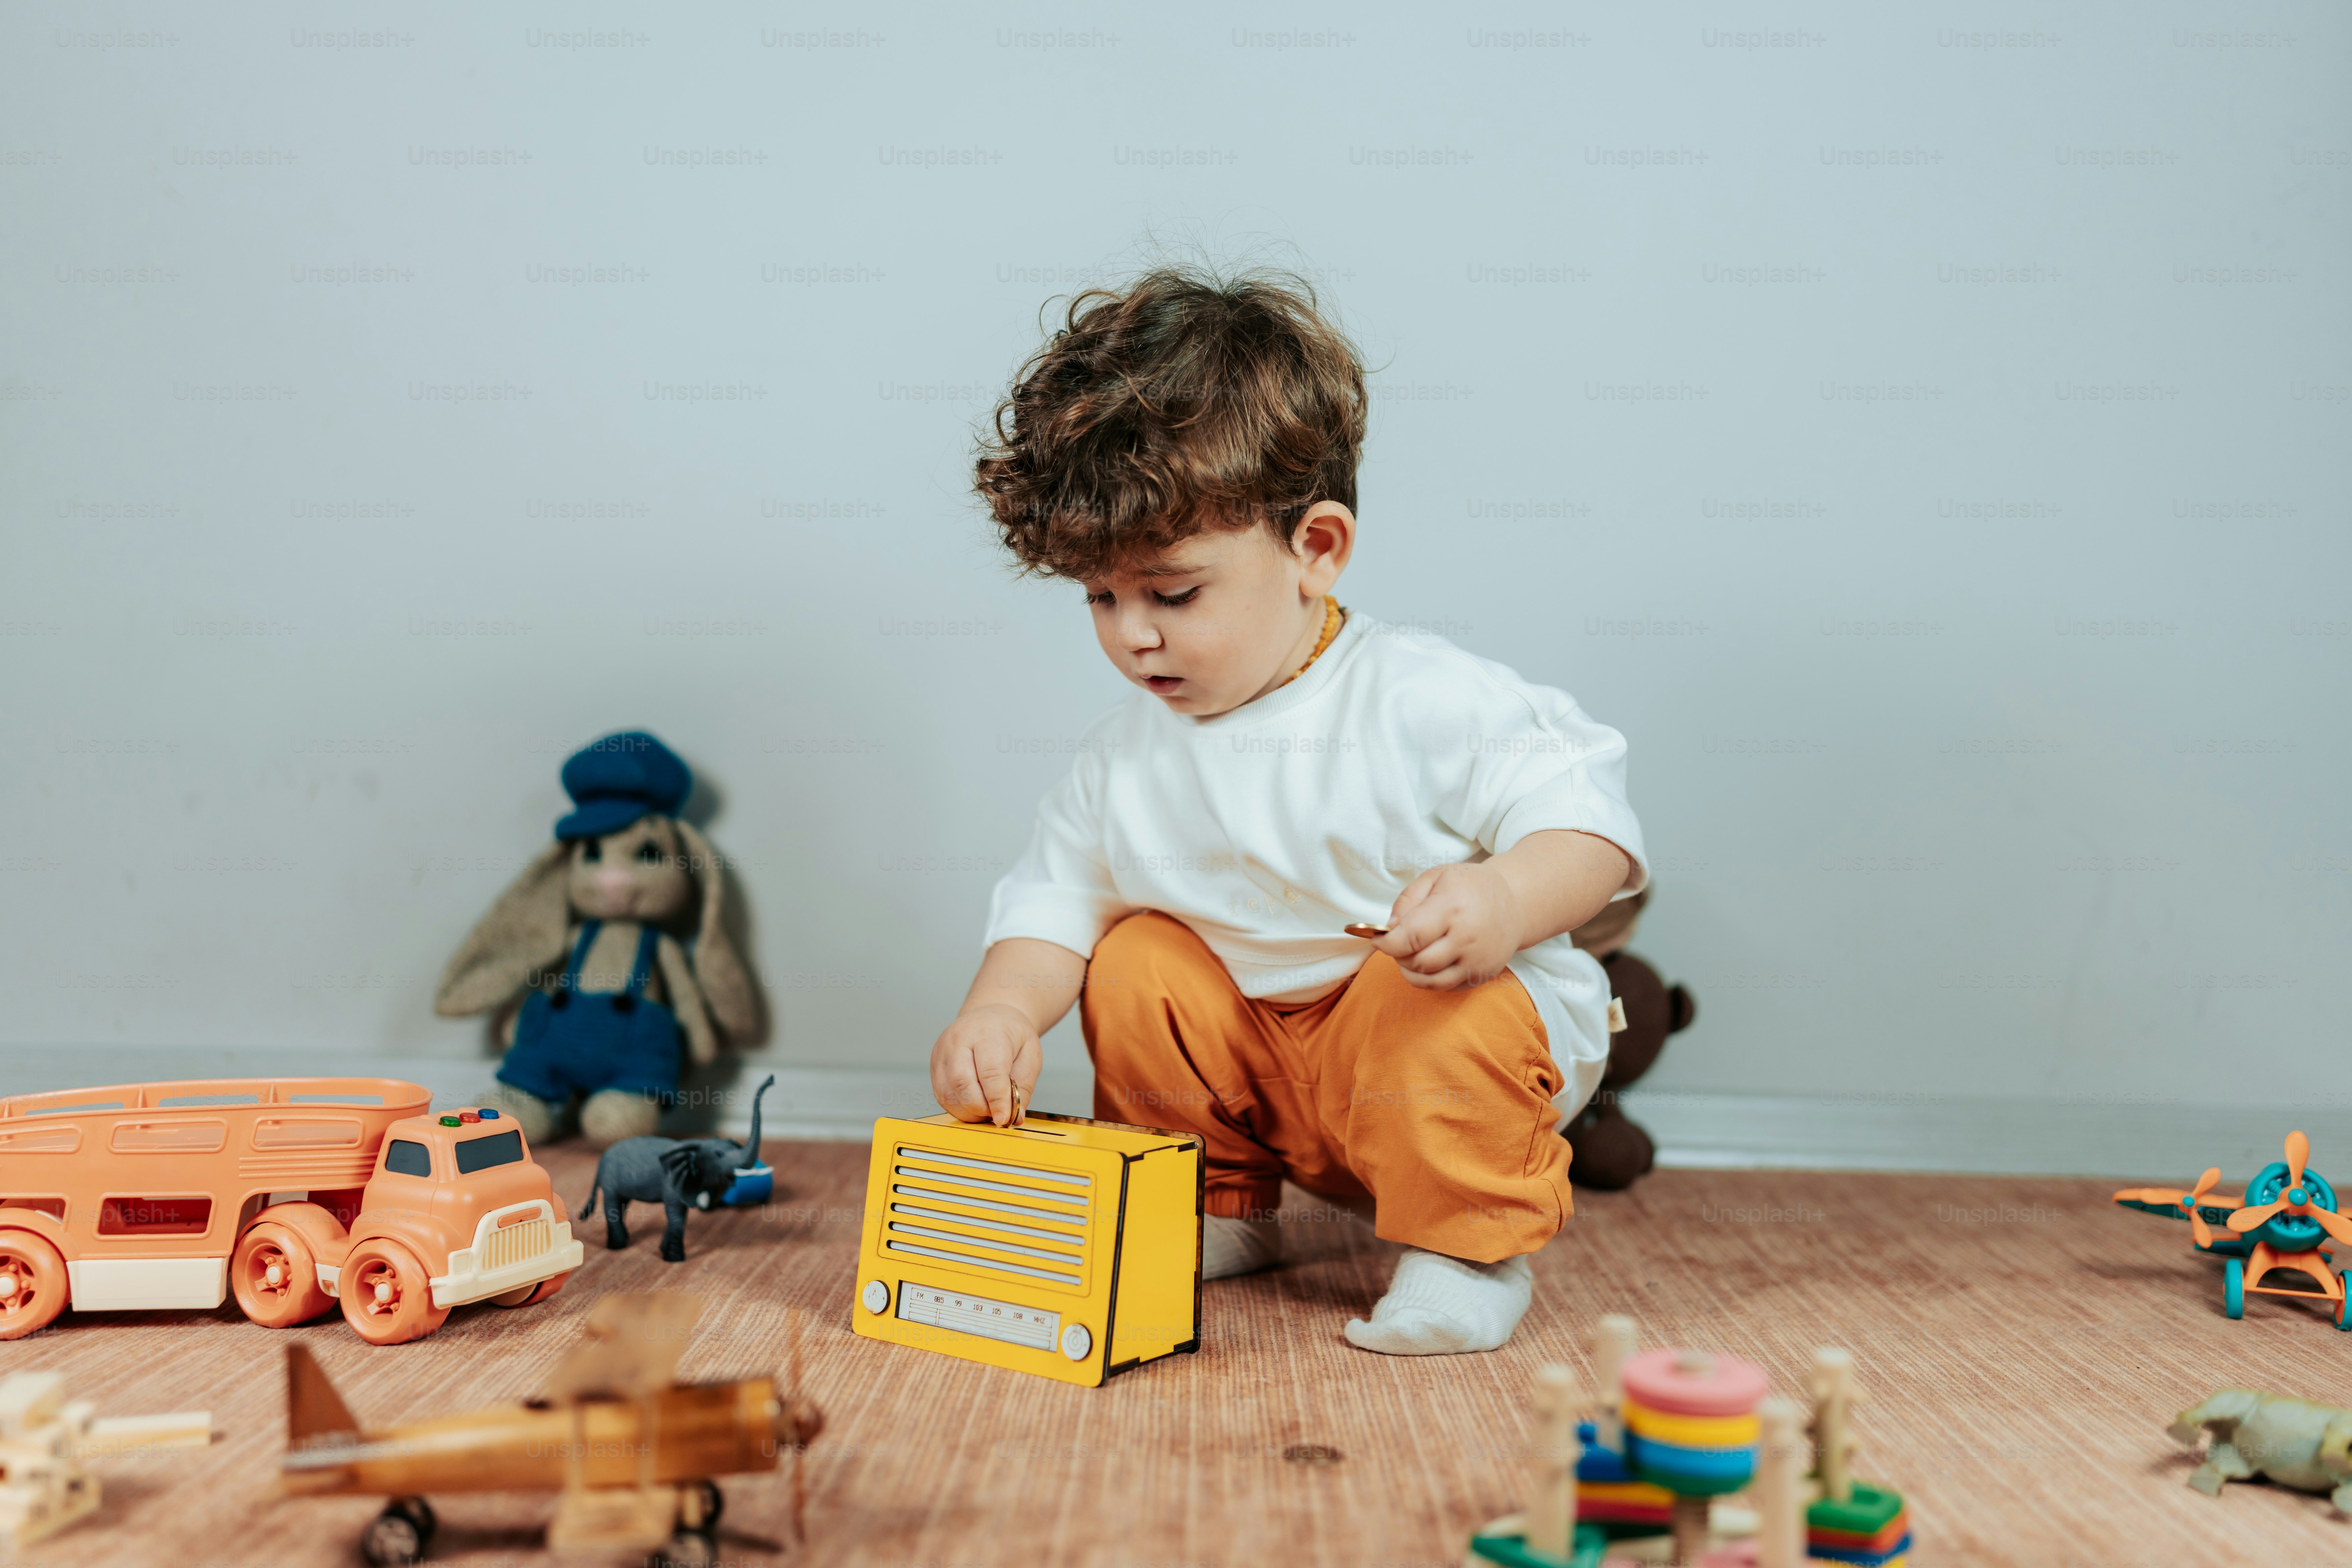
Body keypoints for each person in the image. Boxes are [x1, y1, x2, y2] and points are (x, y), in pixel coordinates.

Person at [928, 268, 1647, 1355]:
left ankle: (1465, 1248)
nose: (1134, 636)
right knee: (1133, 963)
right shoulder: (1121, 760)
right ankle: (1223, 1204)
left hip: (1426, 1041)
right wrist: (999, 1013)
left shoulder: (1419, 694)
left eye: (1173, 593)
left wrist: (1505, 896)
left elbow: (1592, 825)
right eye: (1102, 599)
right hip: (1261, 1072)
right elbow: (1052, 906)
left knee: (1437, 1003)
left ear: (1316, 549)